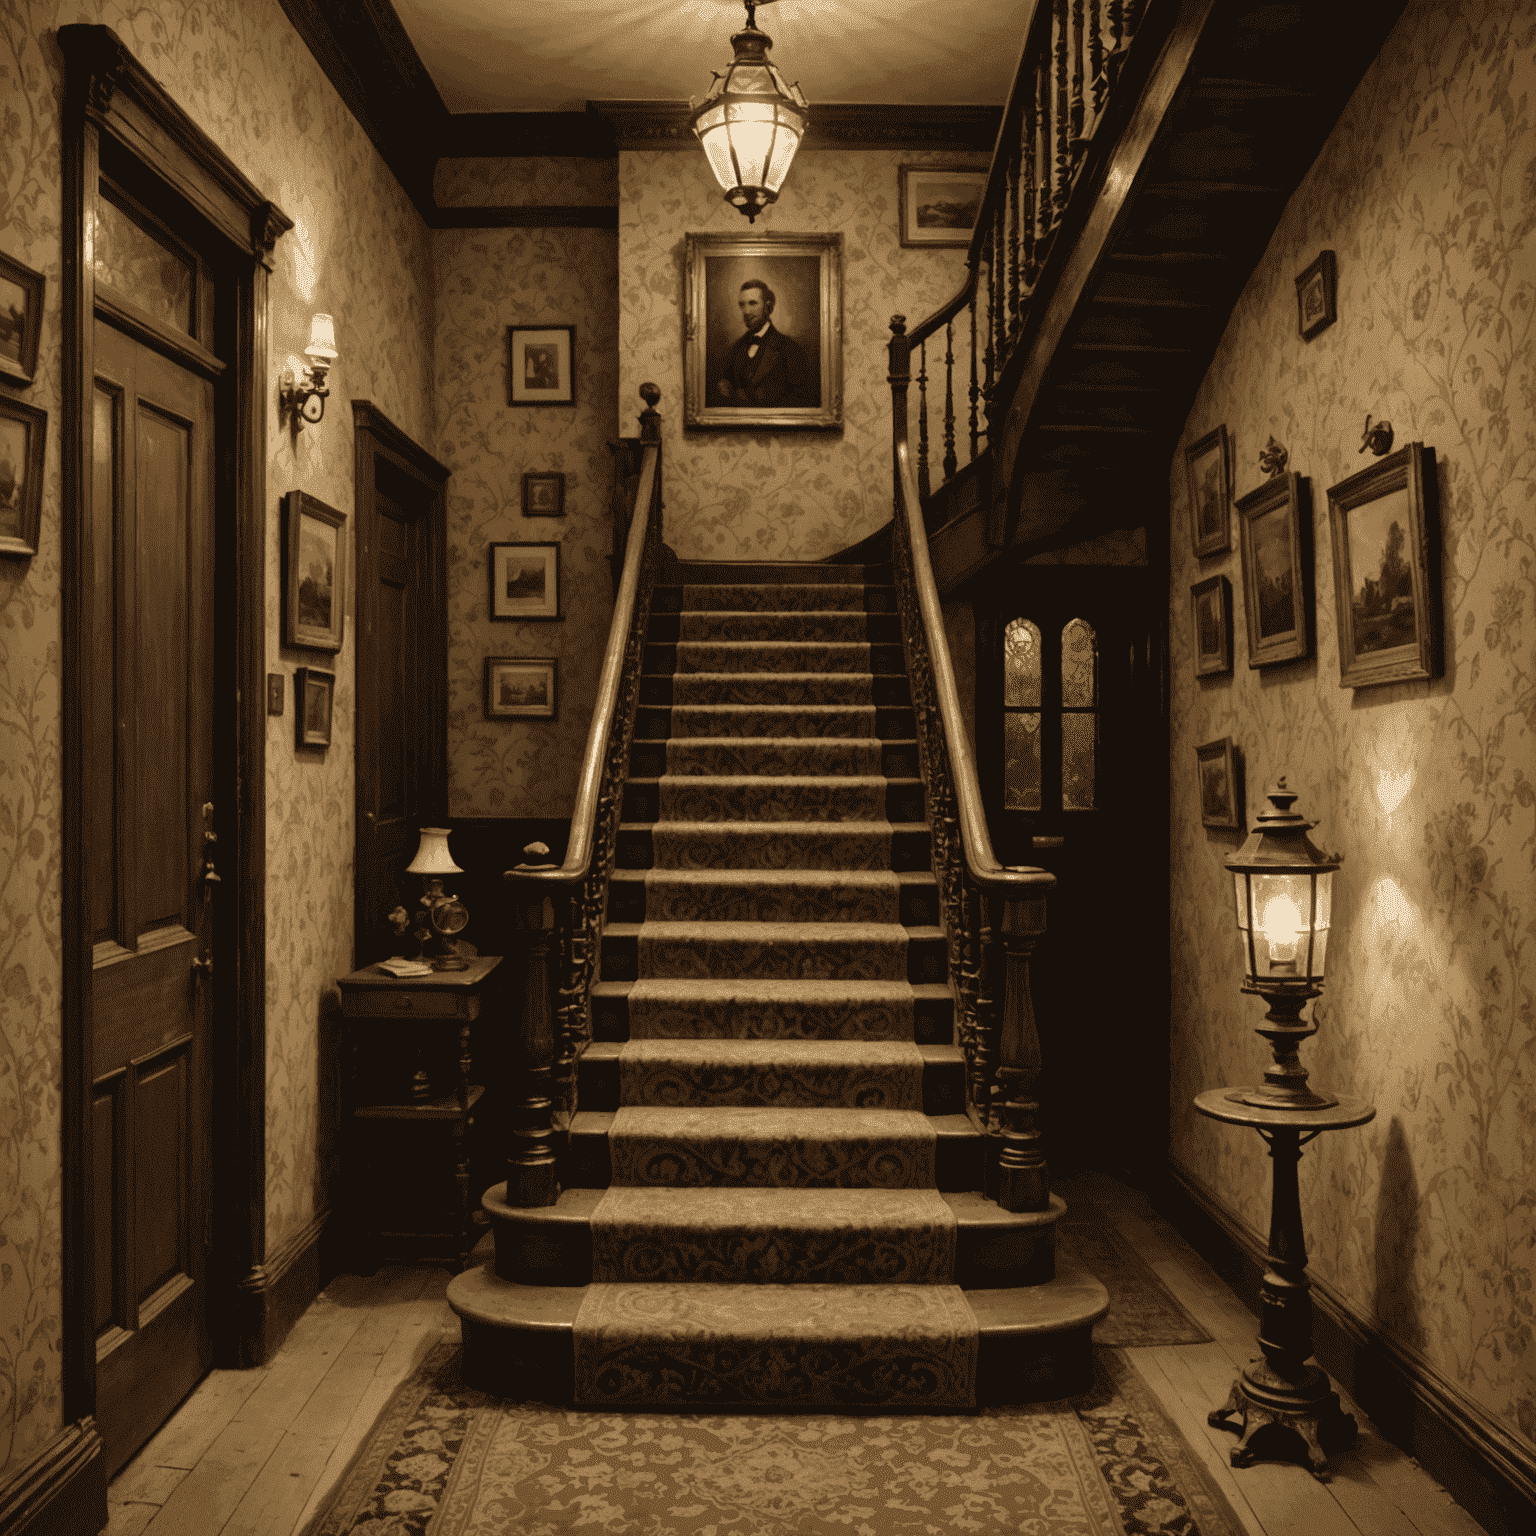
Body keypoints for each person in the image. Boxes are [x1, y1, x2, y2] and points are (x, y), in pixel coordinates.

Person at [716, 279, 813, 407]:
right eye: (742, 305)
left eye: (753, 303)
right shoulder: (735, 349)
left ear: (768, 306)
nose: (746, 311)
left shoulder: (790, 349)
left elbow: (800, 401)